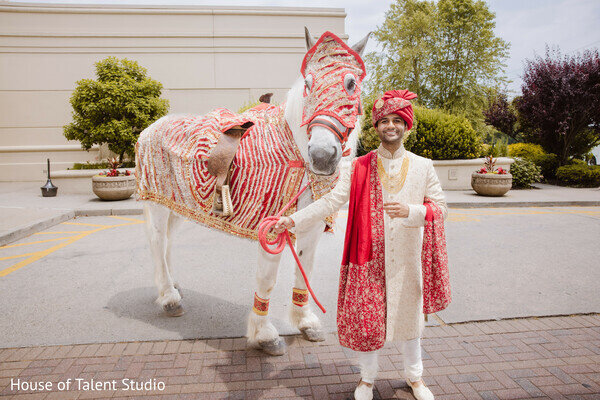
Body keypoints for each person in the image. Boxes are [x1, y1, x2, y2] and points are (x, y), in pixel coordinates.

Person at [274, 90, 447, 400]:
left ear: (406, 126)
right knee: (368, 325)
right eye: (384, 121)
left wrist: (413, 211)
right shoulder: (358, 167)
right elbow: (331, 200)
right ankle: (367, 379)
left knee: (410, 322)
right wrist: (295, 220)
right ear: (376, 127)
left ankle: (415, 378)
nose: (390, 126)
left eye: (397, 120)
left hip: (407, 261)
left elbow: (441, 208)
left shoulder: (424, 166)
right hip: (366, 260)